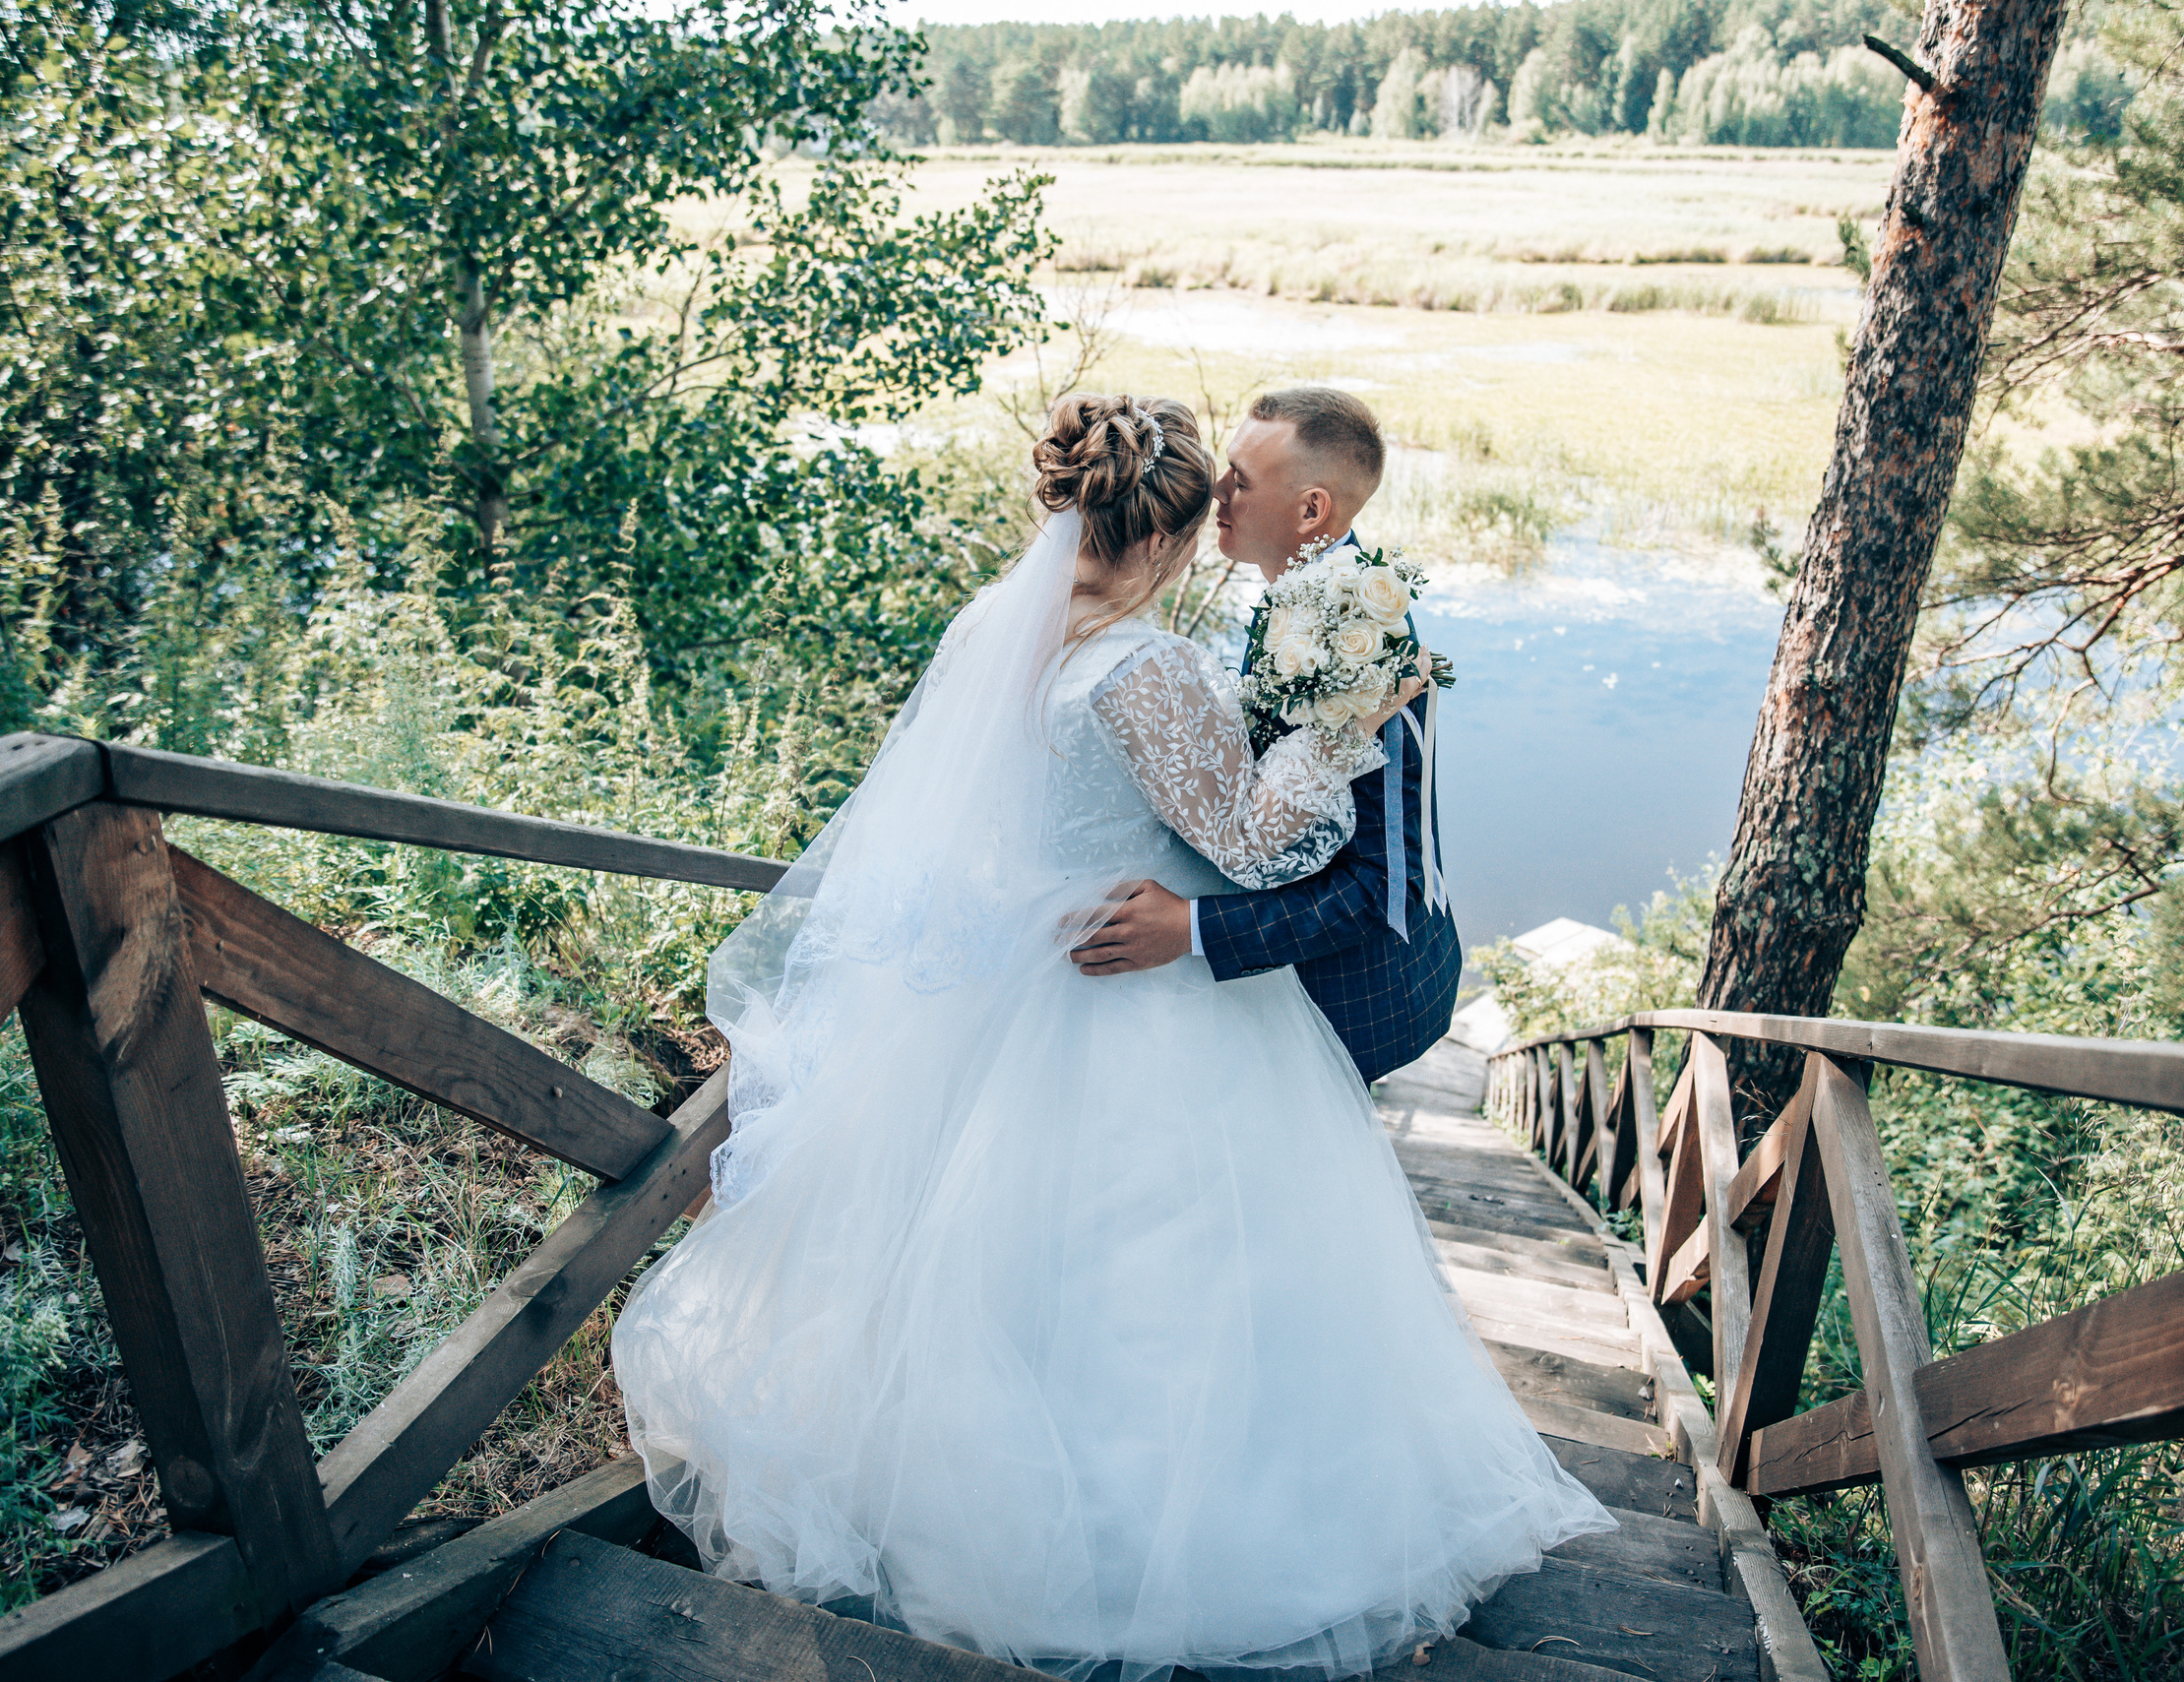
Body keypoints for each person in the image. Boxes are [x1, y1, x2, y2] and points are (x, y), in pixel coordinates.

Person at [610, 395, 1611, 1682]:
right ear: (1180, 530)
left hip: (1027, 990)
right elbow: (1263, 840)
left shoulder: (1011, 631)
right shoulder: (1146, 665)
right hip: (1144, 1007)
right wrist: (1342, 732)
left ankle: (965, 1512)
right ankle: (1166, 1553)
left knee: (1009, 1262)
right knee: (1179, 1275)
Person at [1067, 388, 1461, 1087]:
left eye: (1241, 478)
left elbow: (1381, 887)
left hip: (1351, 995)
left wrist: (1191, 927)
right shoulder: (1294, 594)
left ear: (1312, 510)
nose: (1214, 490)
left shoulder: (1358, 636)